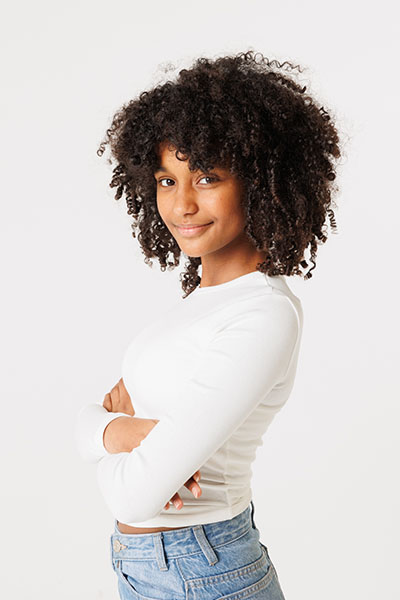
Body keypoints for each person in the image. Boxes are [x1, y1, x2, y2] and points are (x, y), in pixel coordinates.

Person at [75, 49, 341, 599]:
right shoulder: (201, 305)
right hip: (154, 568)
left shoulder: (263, 314)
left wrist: (108, 440)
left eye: (206, 177)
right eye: (166, 180)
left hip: (202, 571)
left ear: (258, 181)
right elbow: (91, 424)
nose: (182, 205)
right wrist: (119, 433)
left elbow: (132, 495)